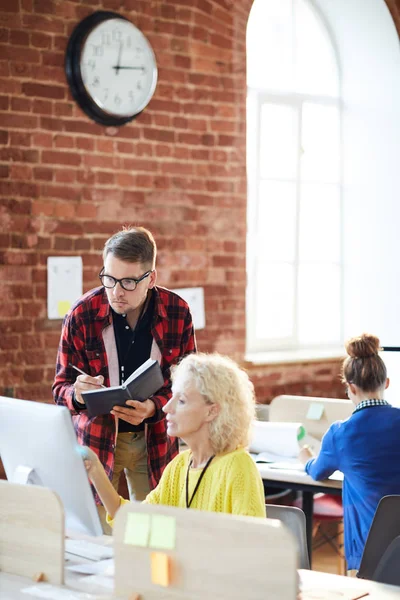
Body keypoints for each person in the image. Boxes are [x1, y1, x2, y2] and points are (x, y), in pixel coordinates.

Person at [52, 226, 196, 529]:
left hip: (154, 440)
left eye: (129, 281)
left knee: (157, 534)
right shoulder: (81, 314)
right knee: (97, 536)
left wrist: (155, 406)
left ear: (151, 278)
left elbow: (188, 386)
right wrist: (76, 394)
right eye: (109, 278)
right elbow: (59, 388)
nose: (116, 291)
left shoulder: (178, 312)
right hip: (98, 441)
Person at [83, 352, 266, 524]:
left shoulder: (238, 467)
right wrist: (96, 471)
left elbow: (252, 548)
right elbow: (139, 523)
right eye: (172, 397)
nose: (166, 408)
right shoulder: (179, 466)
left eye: (181, 401)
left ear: (212, 411)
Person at [299, 333, 400, 572]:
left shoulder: (341, 434)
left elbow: (317, 471)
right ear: (386, 383)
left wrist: (305, 459)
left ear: (350, 388)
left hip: (369, 554)